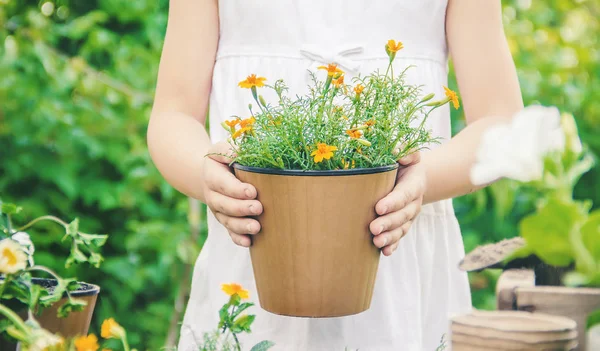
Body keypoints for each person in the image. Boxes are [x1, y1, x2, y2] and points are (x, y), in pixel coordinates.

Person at [147, 0, 523, 350]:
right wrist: (207, 174)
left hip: (399, 259)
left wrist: (423, 179)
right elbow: (173, 114)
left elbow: (501, 121)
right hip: (251, 249)